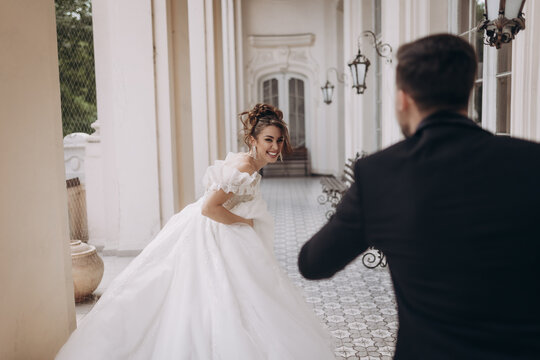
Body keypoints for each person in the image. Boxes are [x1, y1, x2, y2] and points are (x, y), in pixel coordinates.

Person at [298, 34, 540, 360]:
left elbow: (313, 263)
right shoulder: (531, 161)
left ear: (403, 98)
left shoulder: (378, 174)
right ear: (469, 92)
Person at [56, 103, 335, 360]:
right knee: (207, 293)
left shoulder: (251, 165)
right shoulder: (244, 167)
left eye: (278, 140)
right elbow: (209, 208)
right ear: (253, 140)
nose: (275, 147)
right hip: (212, 233)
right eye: (268, 140)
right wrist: (245, 223)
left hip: (223, 230)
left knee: (244, 294)